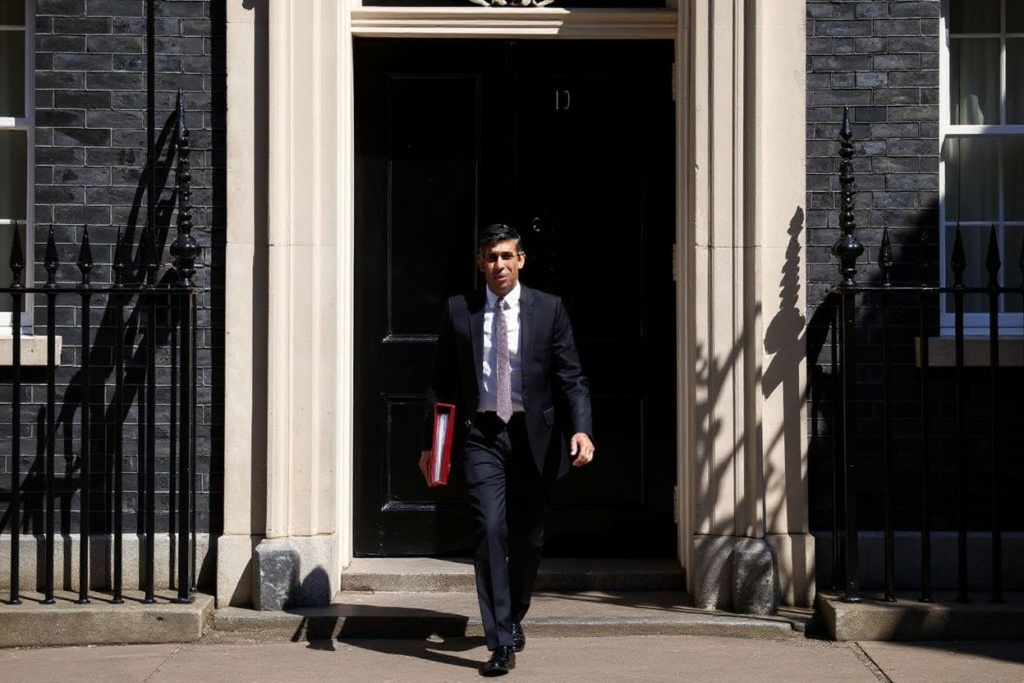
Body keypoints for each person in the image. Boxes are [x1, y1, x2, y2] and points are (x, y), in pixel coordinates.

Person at [419, 223, 595, 676]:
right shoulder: (460, 311)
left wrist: (582, 430)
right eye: (491, 257)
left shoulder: (548, 309)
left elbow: (570, 376)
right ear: (481, 263)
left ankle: (515, 613)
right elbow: (440, 383)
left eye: (507, 256)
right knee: (490, 529)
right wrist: (430, 445)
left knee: (528, 537)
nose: (499, 265)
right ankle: (500, 640)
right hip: (480, 434)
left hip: (532, 435)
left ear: (521, 260)